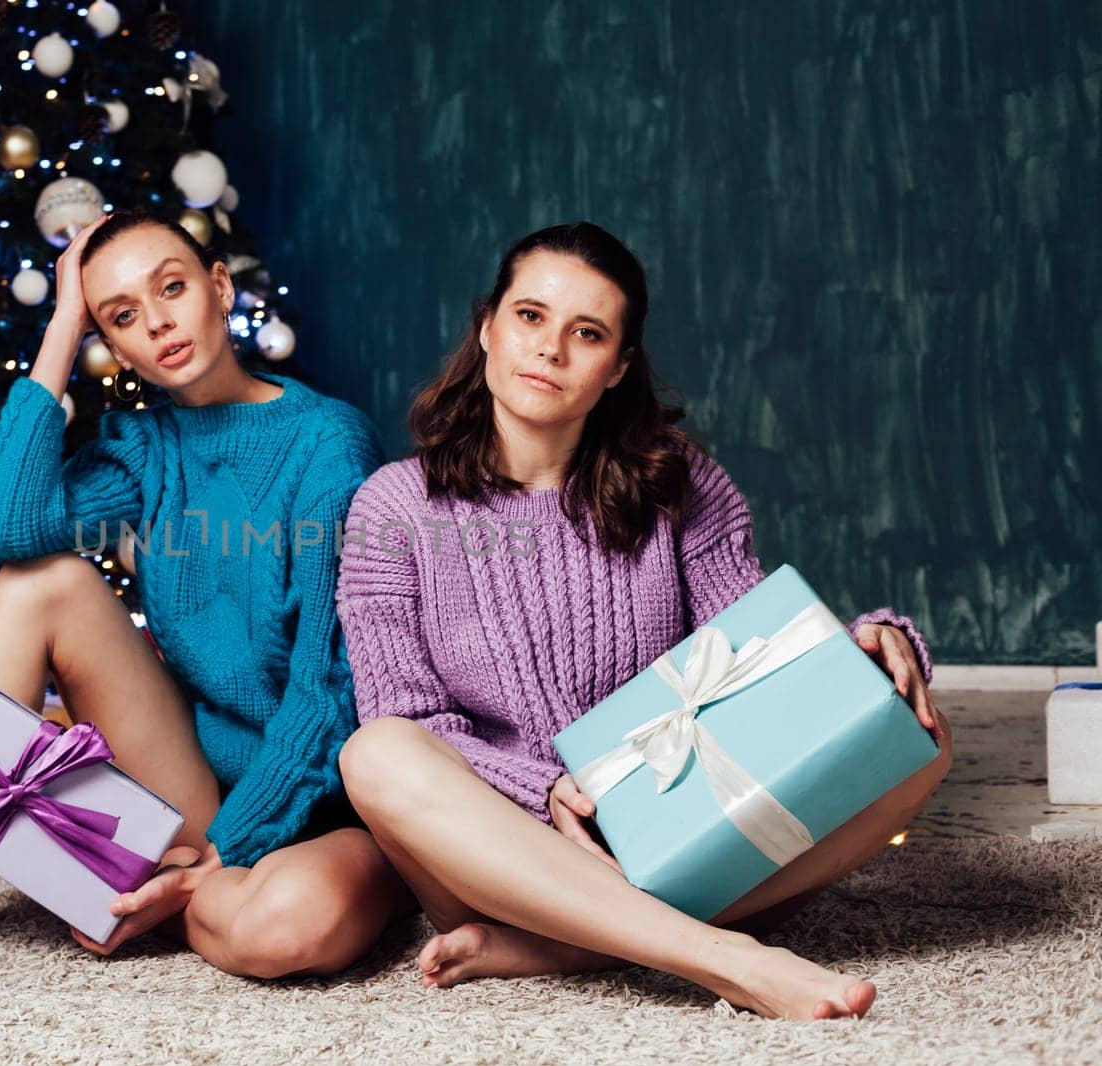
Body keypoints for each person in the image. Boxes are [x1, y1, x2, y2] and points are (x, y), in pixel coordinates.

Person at [0, 210, 406, 977]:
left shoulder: (329, 442)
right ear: (112, 345)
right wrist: (62, 327)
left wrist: (223, 851)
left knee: (283, 931)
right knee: (41, 581)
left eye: (173, 288)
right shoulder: (143, 447)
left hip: (323, 802)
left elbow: (328, 691)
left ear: (219, 288)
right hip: (196, 782)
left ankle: (170, 891)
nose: (157, 323)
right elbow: (6, 526)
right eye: (122, 315)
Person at [333, 221, 950, 1019]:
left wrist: (868, 645)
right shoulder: (391, 506)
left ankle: (562, 947)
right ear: (487, 327)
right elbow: (407, 715)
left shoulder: (679, 481)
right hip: (495, 851)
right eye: (529, 316)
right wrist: (548, 785)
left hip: (673, 824)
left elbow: (755, 661)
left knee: (923, 738)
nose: (549, 349)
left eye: (585, 333)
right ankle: (725, 956)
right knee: (376, 752)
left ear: (618, 366)